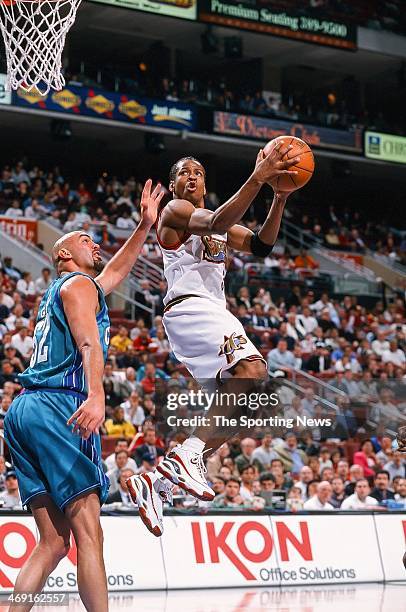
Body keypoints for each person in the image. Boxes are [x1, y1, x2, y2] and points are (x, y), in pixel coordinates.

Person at [3, 180, 163, 611]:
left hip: (23, 411)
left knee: (53, 542)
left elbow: (113, 274)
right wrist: (96, 397)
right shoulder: (77, 285)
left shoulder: (70, 290)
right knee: (90, 530)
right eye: (86, 240)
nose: (96, 246)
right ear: (64, 254)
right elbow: (90, 345)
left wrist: (145, 226)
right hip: (59, 404)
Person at [128, 146, 299, 535]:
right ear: (172, 185)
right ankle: (188, 455)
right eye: (184, 173)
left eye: (199, 172)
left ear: (205, 182)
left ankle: (158, 485)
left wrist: (279, 197)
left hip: (206, 316)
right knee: (254, 368)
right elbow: (220, 218)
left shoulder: (219, 224)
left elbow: (261, 245)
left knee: (250, 404)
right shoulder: (175, 212)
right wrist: (258, 177)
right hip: (191, 307)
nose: (192, 177)